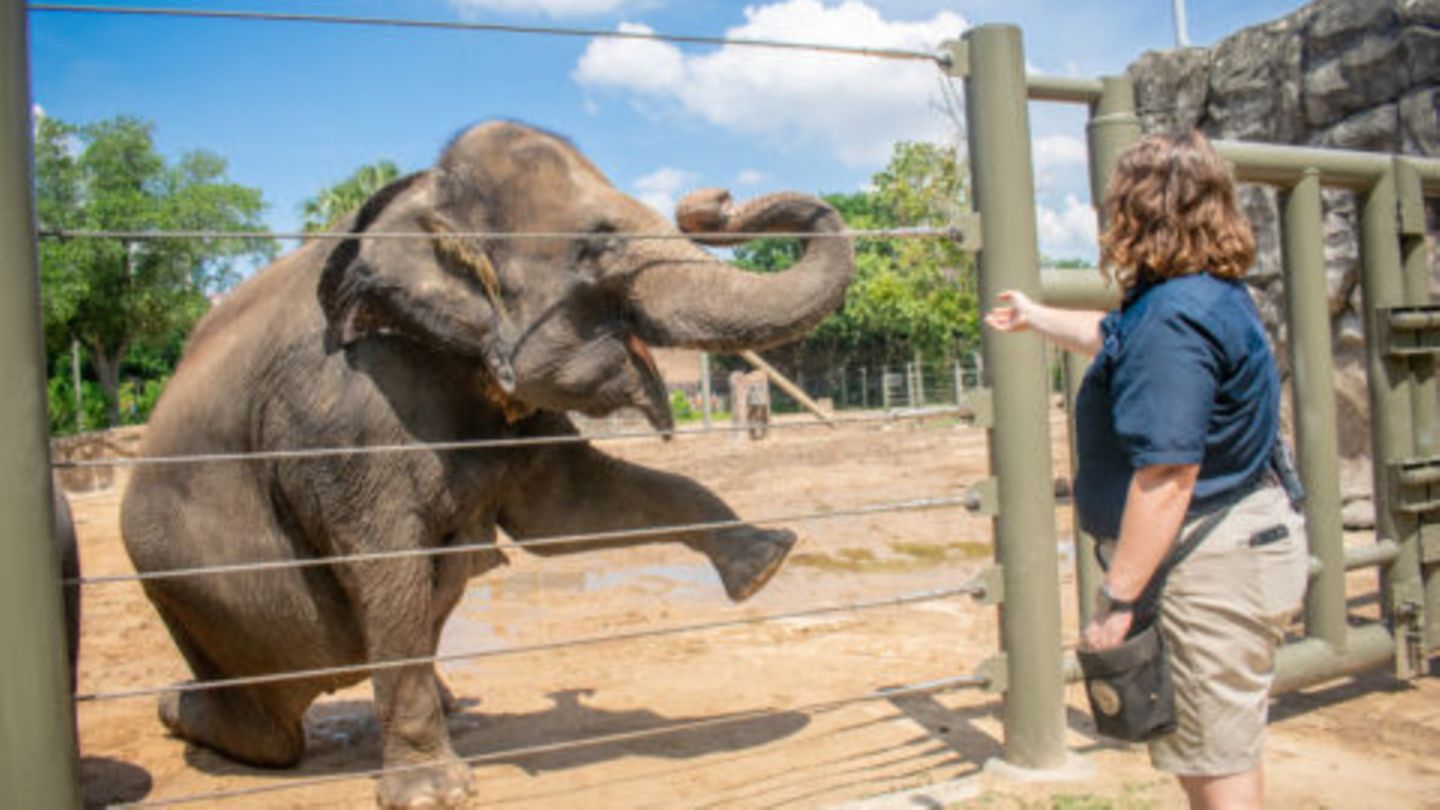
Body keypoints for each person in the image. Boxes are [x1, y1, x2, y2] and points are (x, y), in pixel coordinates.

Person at [984, 131, 1309, 809]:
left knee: (1219, 763)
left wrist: (1117, 600)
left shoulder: (1174, 320)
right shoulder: (1207, 296)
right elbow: (1114, 339)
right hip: (1229, 548)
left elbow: (1166, 478)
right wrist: (1037, 317)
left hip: (1206, 566)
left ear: (1135, 210)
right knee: (1206, 744)